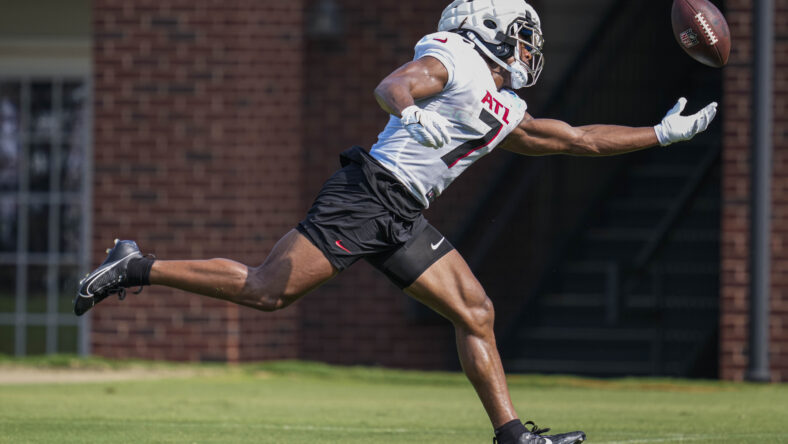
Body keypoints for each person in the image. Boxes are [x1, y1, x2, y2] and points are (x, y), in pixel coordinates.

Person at [74, 0, 717, 442]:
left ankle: (511, 433)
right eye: (521, 32)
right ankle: (138, 263)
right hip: (369, 194)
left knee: (477, 312)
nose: (529, 45)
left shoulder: (499, 98)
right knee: (269, 289)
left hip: (405, 211)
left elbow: (574, 139)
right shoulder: (456, 57)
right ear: (489, 28)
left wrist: (659, 135)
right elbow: (395, 83)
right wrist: (409, 112)